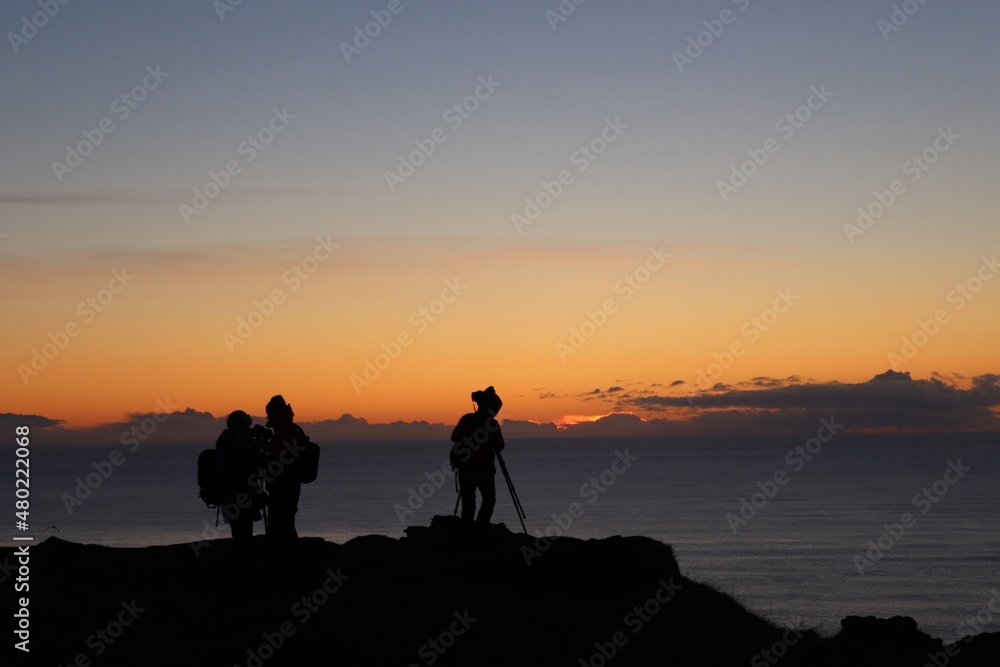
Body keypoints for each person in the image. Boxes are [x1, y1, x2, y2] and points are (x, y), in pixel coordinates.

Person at [450, 386, 506, 526]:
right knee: (488, 500)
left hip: (468, 468)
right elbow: (500, 446)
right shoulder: (491, 424)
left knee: (469, 503)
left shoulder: (467, 419)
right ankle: (480, 528)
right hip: (483, 469)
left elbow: (455, 437)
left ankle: (468, 530)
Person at [215, 410, 267, 546]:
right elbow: (235, 473)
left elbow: (254, 468)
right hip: (234, 498)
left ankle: (243, 561)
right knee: (241, 535)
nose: (248, 430)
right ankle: (243, 563)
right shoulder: (228, 445)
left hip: (242, 498)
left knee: (244, 535)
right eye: (245, 427)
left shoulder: (240, 444)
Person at [263, 395, 308, 546]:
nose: (268, 417)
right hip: (290, 484)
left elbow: (281, 462)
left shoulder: (285, 433)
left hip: (284, 485)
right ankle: (288, 556)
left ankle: (286, 558)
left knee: (281, 522)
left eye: (269, 414)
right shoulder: (292, 429)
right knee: (286, 520)